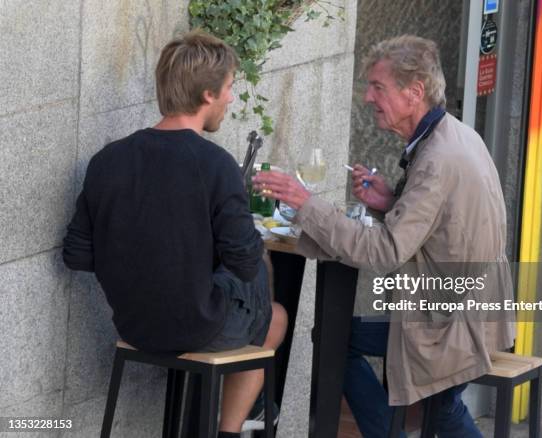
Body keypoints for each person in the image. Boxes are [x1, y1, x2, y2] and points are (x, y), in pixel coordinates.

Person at [252, 35, 515, 437]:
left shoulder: (437, 159)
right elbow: (438, 225)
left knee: (346, 346)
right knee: (341, 341)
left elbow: (385, 251)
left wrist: (306, 203)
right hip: (471, 308)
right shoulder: (454, 135)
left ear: (414, 92)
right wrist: (390, 200)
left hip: (452, 321)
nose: (368, 98)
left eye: (378, 87)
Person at [63, 30, 287, 437]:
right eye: (230, 89)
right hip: (199, 326)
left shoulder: (106, 161)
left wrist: (140, 258)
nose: (231, 99)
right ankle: (230, 430)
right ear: (207, 95)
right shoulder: (216, 165)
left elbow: (76, 254)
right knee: (275, 311)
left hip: (133, 325)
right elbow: (243, 260)